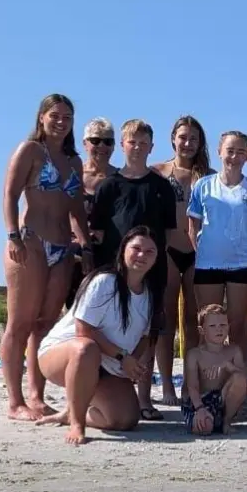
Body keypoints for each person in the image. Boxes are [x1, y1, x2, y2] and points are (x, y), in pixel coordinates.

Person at [2, 93, 91, 422]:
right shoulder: (30, 151)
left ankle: (36, 396)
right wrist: (13, 234)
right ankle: (14, 401)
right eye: (55, 115)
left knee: (45, 324)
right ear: (41, 117)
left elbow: (77, 209)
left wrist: (86, 245)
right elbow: (10, 194)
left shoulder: (74, 161)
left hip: (62, 247)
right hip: (30, 242)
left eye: (67, 117)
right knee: (20, 323)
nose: (61, 121)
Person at [34, 227, 162, 445]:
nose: (142, 255)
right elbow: (84, 331)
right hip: (64, 355)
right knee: (86, 348)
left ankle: (72, 411)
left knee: (125, 419)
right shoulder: (105, 281)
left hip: (108, 364)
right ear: (123, 250)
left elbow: (144, 338)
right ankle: (77, 424)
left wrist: (134, 364)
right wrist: (123, 357)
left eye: (150, 251)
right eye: (137, 248)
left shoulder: (150, 295)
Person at [88, 118, 177, 419]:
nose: (137, 147)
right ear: (122, 145)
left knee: (147, 333)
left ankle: (144, 397)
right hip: (112, 275)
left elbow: (169, 234)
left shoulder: (161, 187)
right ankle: (95, 389)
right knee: (102, 331)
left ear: (152, 147)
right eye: (132, 142)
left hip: (153, 272)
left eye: (143, 143)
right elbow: (97, 233)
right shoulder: (108, 186)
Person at [189, 130, 247, 358]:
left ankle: (239, 386)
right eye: (230, 151)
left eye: (240, 152)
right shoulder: (203, 186)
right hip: (208, 265)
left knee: (239, 328)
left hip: (243, 265)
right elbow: (192, 226)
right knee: (208, 328)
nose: (234, 157)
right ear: (219, 152)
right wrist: (202, 253)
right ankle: (206, 386)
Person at [152, 116, 212, 410]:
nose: (187, 144)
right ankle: (166, 381)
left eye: (193, 139)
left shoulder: (209, 176)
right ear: (173, 138)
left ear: (200, 143)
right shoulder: (159, 172)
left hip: (198, 254)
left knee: (193, 320)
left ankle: (190, 383)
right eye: (183, 137)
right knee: (165, 321)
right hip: (167, 251)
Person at [182, 303, 247, 435]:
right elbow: (192, 386)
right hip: (199, 402)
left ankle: (226, 421)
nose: (219, 330)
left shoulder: (234, 351)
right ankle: (209, 420)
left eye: (223, 325)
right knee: (204, 428)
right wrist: (200, 408)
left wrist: (229, 366)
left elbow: (245, 377)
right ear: (202, 330)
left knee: (239, 377)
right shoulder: (195, 354)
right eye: (213, 326)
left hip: (222, 400)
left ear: (228, 327)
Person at [70, 117, 119, 304]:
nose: (102, 146)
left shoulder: (121, 178)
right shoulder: (74, 175)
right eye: (95, 140)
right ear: (85, 143)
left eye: (108, 141)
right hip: (75, 249)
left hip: (110, 251)